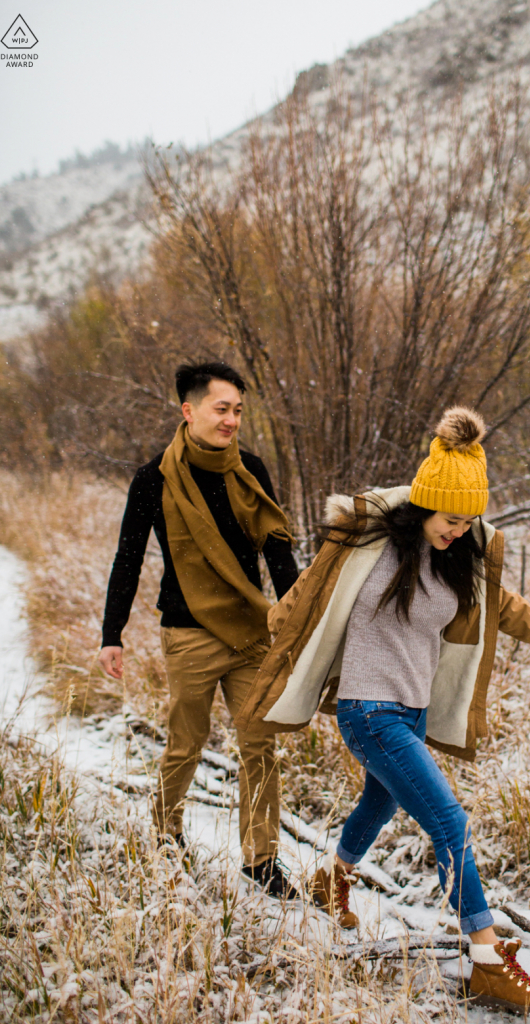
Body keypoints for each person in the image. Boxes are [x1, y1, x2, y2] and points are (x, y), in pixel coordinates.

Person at [235, 406, 530, 1013]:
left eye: (468, 521)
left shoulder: (459, 559)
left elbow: (506, 609)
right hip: (368, 710)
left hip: (412, 712)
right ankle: (484, 960)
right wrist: (278, 632)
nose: (458, 530)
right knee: (450, 823)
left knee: (379, 800)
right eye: (451, 518)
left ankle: (333, 879)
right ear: (425, 504)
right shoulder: (366, 546)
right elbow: (306, 596)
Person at [99, 361, 299, 898]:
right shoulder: (154, 478)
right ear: (189, 411)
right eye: (221, 409)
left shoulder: (250, 467)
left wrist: (298, 618)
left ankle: (261, 862)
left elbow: (277, 547)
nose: (231, 420)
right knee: (185, 745)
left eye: (237, 410)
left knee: (261, 747)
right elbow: (128, 557)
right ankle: (165, 839)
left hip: (251, 634)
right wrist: (111, 633)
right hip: (188, 634)